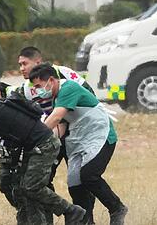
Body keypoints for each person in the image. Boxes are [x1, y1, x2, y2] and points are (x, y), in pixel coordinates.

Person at [0, 91, 87, 225]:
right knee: (22, 189)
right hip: (34, 145)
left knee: (31, 187)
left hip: (43, 145)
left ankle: (71, 211)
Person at [29, 64, 127, 225]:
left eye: (39, 86)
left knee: (88, 175)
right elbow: (60, 127)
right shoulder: (57, 98)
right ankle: (84, 221)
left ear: (51, 80)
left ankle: (116, 208)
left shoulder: (68, 89)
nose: (38, 90)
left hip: (101, 137)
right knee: (75, 184)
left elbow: (56, 118)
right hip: (80, 142)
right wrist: (44, 144)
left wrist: (34, 138)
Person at [14, 46, 95, 97]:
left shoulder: (64, 72)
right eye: (20, 65)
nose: (21, 69)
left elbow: (89, 93)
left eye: (24, 64)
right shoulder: (26, 88)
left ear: (38, 62)